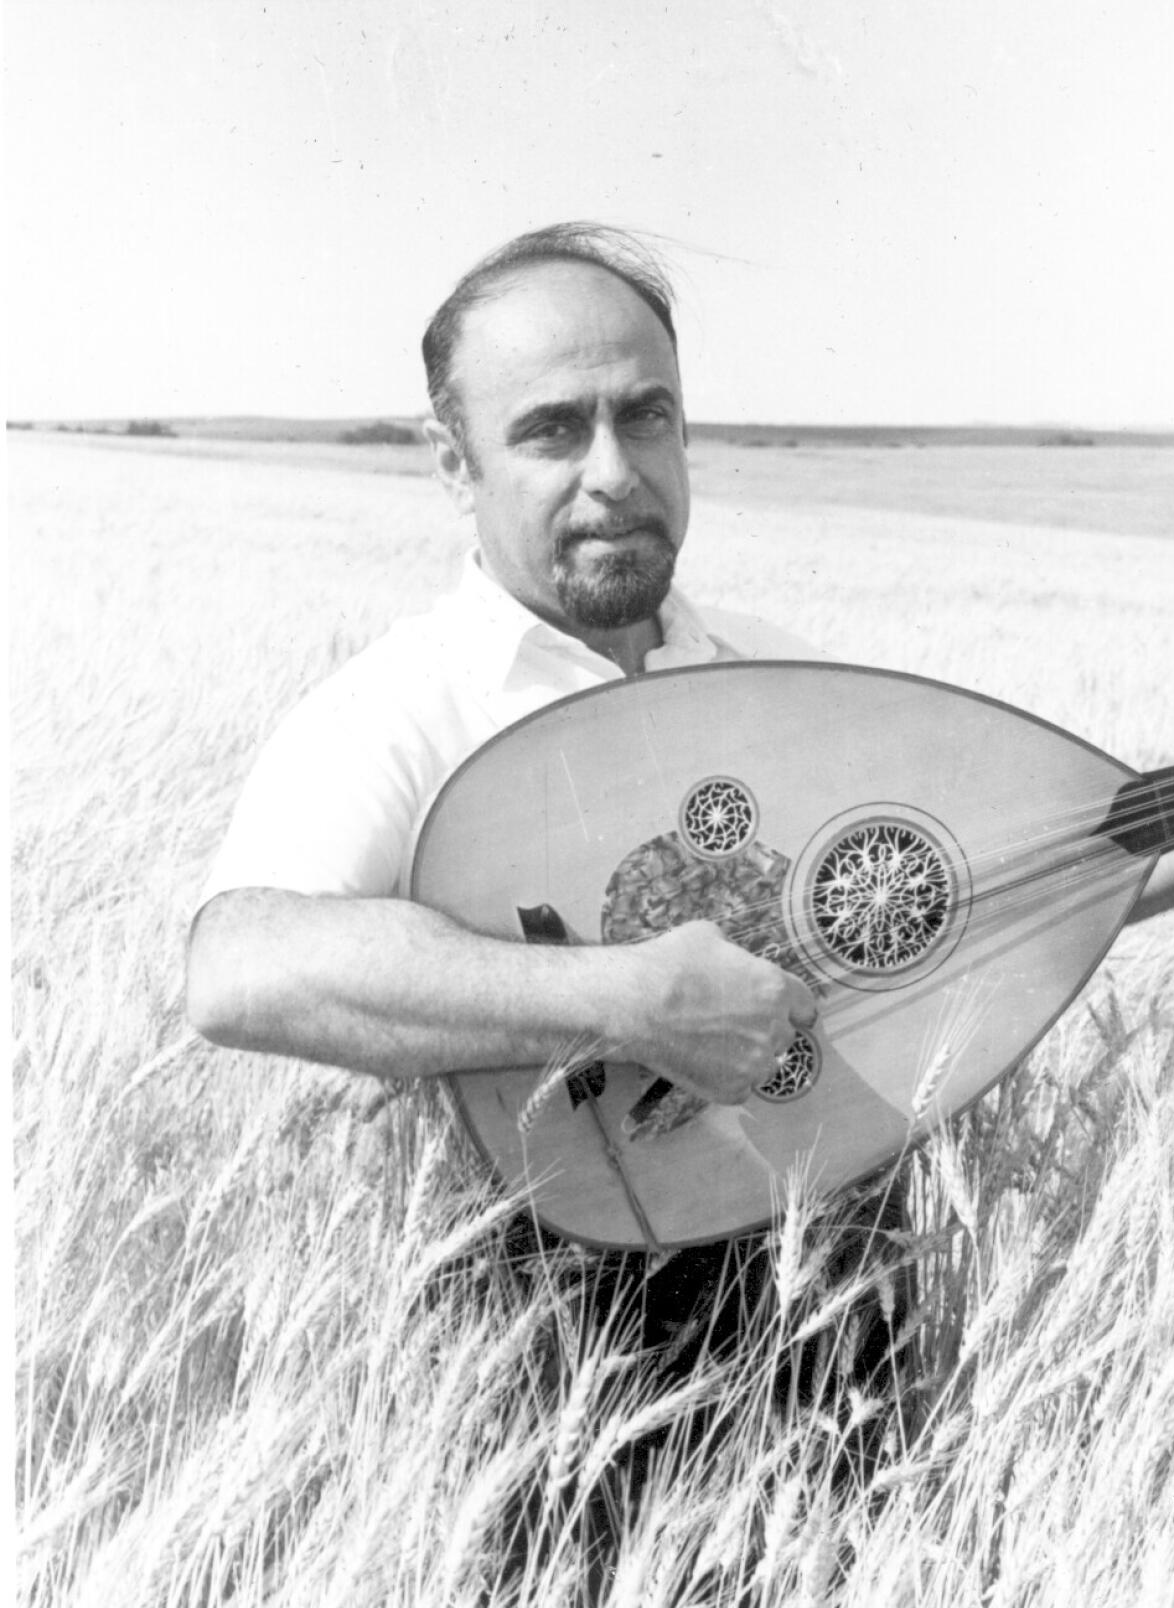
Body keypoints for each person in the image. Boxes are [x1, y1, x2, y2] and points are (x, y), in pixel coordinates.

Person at [186, 221, 907, 1492]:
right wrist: (624, 1001)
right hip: (544, 1377)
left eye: (650, 416)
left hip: (842, 1320)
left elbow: (962, 875)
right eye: (552, 430)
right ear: (452, 463)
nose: (615, 471)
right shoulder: (400, 710)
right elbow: (240, 969)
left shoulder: (778, 675)